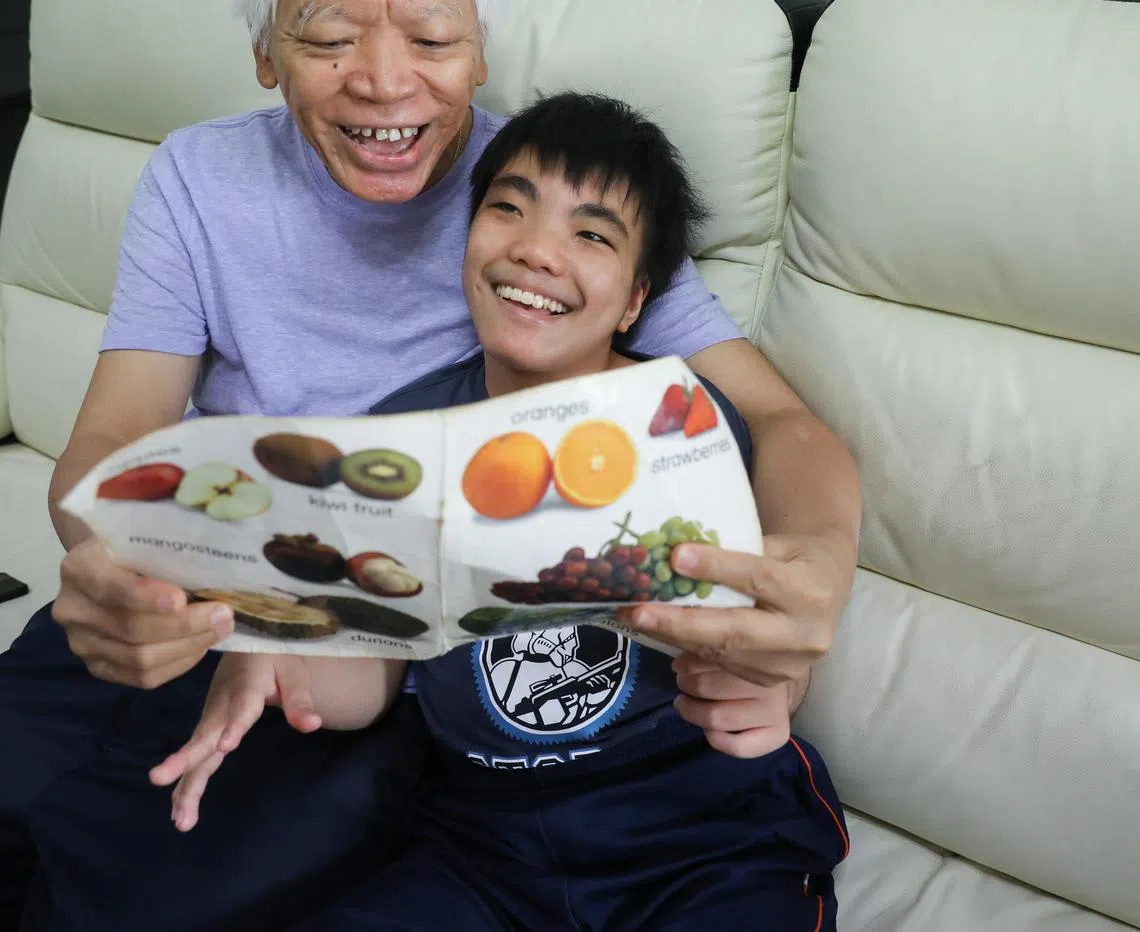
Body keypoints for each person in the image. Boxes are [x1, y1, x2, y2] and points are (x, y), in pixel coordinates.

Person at [0, 0, 859, 931]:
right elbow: (107, 448)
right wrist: (116, 571)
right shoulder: (196, 178)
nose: (384, 80)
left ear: (479, 47)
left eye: (432, 37)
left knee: (137, 892)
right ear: (267, 51)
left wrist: (817, 568)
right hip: (189, 582)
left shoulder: (543, 193)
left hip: (367, 652)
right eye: (326, 36)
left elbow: (782, 422)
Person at [154, 92, 850, 931]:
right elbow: (371, 667)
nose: (536, 251)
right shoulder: (398, 442)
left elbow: (769, 621)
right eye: (508, 209)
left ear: (635, 301)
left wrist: (777, 683)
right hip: (481, 845)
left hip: (702, 832)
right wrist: (277, 657)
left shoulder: (680, 423)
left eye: (590, 235)